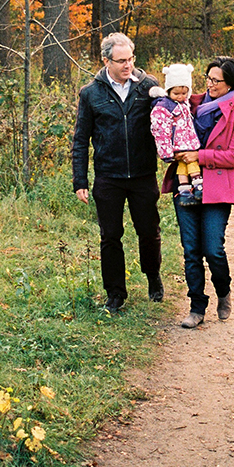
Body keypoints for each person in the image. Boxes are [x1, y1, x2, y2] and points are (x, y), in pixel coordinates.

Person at [72, 32, 164, 315]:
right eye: (121, 61)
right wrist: (80, 180)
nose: (128, 65)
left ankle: (153, 278)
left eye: (131, 59)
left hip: (142, 174)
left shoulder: (148, 87)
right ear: (106, 61)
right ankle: (115, 293)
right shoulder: (91, 93)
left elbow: (168, 120)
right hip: (108, 177)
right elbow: (80, 139)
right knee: (110, 235)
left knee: (148, 232)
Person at [161, 55, 234, 329]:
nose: (210, 85)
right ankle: (196, 307)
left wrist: (199, 156)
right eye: (208, 78)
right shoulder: (188, 102)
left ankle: (223, 291)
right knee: (191, 250)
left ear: (231, 84)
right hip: (185, 183)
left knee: (213, 249)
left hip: (217, 187)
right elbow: (162, 109)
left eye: (216, 80)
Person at [149, 63, 202, 205]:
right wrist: (166, 153)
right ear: (168, 91)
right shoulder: (164, 107)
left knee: (183, 166)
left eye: (184, 93)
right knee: (191, 161)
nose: (180, 97)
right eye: (176, 94)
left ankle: (184, 190)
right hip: (178, 144)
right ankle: (198, 184)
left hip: (188, 141)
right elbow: (160, 131)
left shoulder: (184, 104)